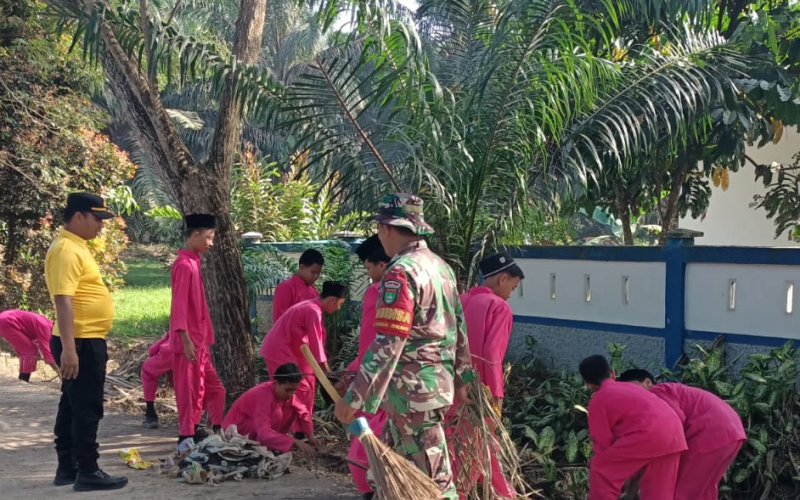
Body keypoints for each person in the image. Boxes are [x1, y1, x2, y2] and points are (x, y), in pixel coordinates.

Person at [334, 193, 475, 500]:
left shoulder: (400, 273)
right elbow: (459, 327)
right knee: (394, 475)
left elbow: (389, 341)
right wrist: (464, 378)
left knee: (433, 481)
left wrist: (355, 397)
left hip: (411, 396)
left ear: (386, 228)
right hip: (433, 388)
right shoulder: (441, 268)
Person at [45, 192, 128, 491]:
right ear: (78, 216)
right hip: (79, 341)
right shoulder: (67, 249)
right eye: (97, 219)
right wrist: (69, 349)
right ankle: (88, 471)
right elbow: (63, 301)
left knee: (71, 404)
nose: (101, 226)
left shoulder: (76, 246)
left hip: (81, 340)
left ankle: (67, 467)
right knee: (87, 408)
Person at [447, 251, 525, 499]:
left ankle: (508, 494)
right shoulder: (499, 307)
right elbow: (491, 354)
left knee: (471, 447)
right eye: (513, 286)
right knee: (472, 451)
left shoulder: (459, 301)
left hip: (451, 387)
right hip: (478, 394)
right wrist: (496, 396)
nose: (511, 293)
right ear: (503, 279)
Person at [618, 369, 747, 500]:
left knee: (681, 491)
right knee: (702, 490)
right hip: (731, 432)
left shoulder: (656, 393)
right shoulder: (669, 393)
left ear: (648, 382)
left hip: (710, 432)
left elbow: (672, 423)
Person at [578, 355, 686, 500]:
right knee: (659, 490)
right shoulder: (630, 387)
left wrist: (596, 458)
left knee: (601, 469)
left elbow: (602, 442)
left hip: (649, 435)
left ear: (588, 384)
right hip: (675, 433)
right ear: (612, 373)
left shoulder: (599, 399)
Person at [259, 281, 348, 432]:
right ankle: (292, 431)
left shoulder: (311, 307)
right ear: (332, 300)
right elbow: (316, 347)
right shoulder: (312, 310)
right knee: (300, 389)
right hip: (279, 350)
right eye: (340, 303)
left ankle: (301, 430)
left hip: (290, 351)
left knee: (308, 384)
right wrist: (329, 375)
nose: (338, 307)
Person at [170, 214, 226, 446]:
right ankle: (186, 435)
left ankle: (206, 427)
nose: (211, 243)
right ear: (195, 235)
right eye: (209, 237)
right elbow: (179, 305)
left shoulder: (193, 262)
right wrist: (185, 338)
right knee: (189, 390)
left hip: (200, 340)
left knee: (213, 389)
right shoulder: (184, 265)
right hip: (189, 341)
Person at [345, 235, 390, 500]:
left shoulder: (378, 291)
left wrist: (358, 371)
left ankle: (366, 488)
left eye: (368, 268)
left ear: (381, 265)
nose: (368, 275)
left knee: (364, 433)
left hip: (373, 377)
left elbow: (372, 340)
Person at [222, 363, 320, 455]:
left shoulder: (287, 396)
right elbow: (264, 433)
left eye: (294, 390)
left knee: (292, 409)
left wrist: (310, 437)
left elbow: (303, 413)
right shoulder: (263, 395)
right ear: (276, 383)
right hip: (236, 434)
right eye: (288, 390)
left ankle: (273, 445)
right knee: (276, 415)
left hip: (258, 431)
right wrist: (293, 441)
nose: (291, 394)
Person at [0, 309, 58, 381]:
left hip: (5, 318)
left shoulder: (46, 322)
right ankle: (24, 379)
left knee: (26, 350)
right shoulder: (46, 328)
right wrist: (59, 372)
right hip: (7, 321)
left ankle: (23, 378)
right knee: (30, 350)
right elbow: (47, 353)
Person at [272, 249, 324, 322]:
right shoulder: (286, 288)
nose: (316, 276)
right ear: (302, 267)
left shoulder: (313, 290)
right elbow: (279, 321)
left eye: (318, 273)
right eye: (313, 272)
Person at [140, 332, 173, 429]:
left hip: (172, 350)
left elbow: (152, 350)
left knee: (147, 371)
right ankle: (193, 422)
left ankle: (151, 415)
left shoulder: (178, 319)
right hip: (195, 352)